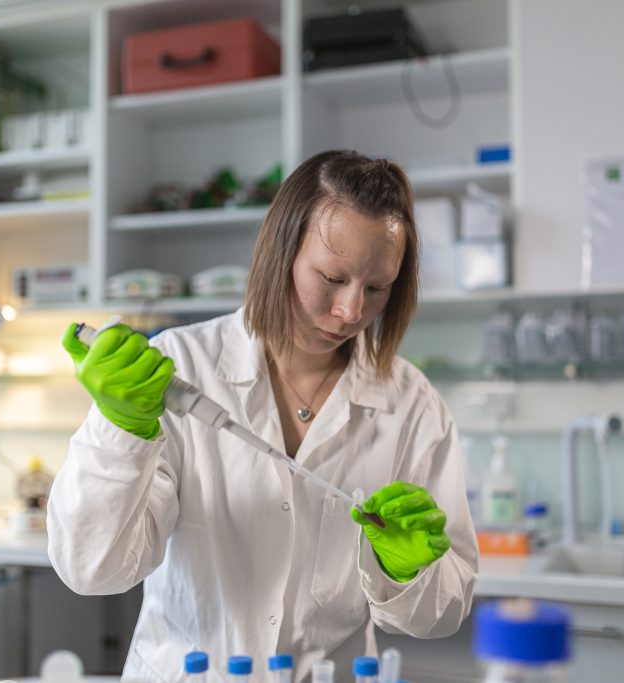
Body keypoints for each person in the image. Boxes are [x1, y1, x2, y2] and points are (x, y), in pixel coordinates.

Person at [48, 150, 478, 683]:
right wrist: (119, 429)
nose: (351, 311)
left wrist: (408, 572)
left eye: (376, 287)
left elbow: (444, 612)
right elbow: (92, 569)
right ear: (282, 253)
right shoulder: (179, 369)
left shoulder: (411, 405)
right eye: (332, 277)